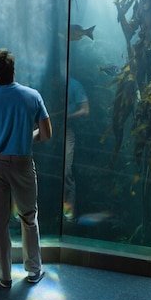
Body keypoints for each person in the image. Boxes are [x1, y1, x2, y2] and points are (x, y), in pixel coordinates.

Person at [0, 49, 53, 288]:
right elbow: (47, 133)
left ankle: (4, 275)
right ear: (13, 70)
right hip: (23, 162)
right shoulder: (32, 96)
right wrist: (27, 138)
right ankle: (34, 270)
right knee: (29, 216)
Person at [63, 77, 89, 222]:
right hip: (47, 128)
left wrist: (66, 117)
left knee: (66, 170)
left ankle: (68, 215)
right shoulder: (52, 83)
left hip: (68, 130)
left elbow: (85, 110)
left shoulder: (74, 84)